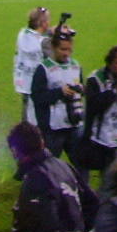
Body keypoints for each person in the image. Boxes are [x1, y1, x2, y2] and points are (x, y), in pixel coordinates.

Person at [7, 121, 98, 232]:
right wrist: (81, 231)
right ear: (42, 142)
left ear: (15, 152)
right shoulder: (63, 165)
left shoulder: (35, 179)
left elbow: (45, 228)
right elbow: (92, 203)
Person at [30, 30, 85, 161]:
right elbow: (37, 98)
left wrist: (81, 89)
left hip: (75, 124)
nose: (66, 53)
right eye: (63, 49)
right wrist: (59, 92)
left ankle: (82, 182)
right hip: (53, 129)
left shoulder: (75, 66)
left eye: (69, 50)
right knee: (49, 164)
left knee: (81, 163)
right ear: (54, 48)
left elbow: (81, 87)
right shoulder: (43, 68)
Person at [15, 7, 50, 121]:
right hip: (37, 85)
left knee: (26, 114)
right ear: (43, 23)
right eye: (47, 20)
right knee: (36, 117)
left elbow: (36, 36)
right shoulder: (44, 42)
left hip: (23, 82)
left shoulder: (22, 34)